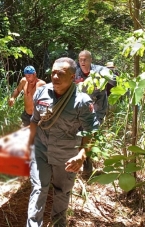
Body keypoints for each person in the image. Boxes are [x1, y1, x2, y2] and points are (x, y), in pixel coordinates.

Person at [26, 57, 99, 227]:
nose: (55, 77)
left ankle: (58, 224)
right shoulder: (41, 93)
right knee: (38, 189)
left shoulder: (82, 101)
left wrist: (82, 156)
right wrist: (29, 146)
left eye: (61, 74)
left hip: (67, 156)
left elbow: (92, 132)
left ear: (73, 77)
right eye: (53, 73)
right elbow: (34, 121)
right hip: (41, 151)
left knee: (61, 192)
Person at [75, 50, 116, 124]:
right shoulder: (75, 73)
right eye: (80, 60)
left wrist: (106, 76)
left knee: (94, 129)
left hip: (97, 108)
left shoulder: (100, 70)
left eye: (85, 60)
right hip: (80, 109)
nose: (82, 62)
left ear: (91, 60)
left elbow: (115, 81)